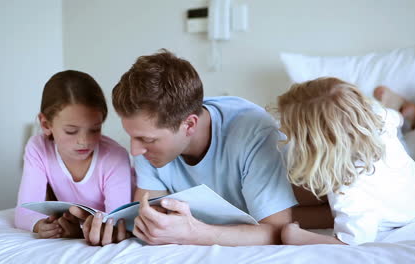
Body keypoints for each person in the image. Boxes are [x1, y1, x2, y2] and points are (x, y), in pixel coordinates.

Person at [70, 49, 297, 246]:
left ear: (189, 124)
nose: (135, 150)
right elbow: (149, 212)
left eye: (147, 140)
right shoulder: (147, 138)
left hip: (307, 196)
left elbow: (277, 229)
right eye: (132, 137)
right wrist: (115, 228)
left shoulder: (254, 133)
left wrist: (196, 233)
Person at [277, 77, 415, 246]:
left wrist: (297, 237)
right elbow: (396, 119)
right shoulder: (376, 114)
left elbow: (352, 241)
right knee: (402, 142)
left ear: (316, 142)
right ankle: (407, 116)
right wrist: (401, 119)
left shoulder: (349, 187)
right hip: (403, 185)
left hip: (409, 211)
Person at [15, 70, 132, 243]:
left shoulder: (115, 157)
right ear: (46, 124)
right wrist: (42, 225)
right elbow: (25, 210)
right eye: (71, 131)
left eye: (95, 129)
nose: (84, 141)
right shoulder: (38, 148)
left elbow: (116, 221)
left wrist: (80, 230)